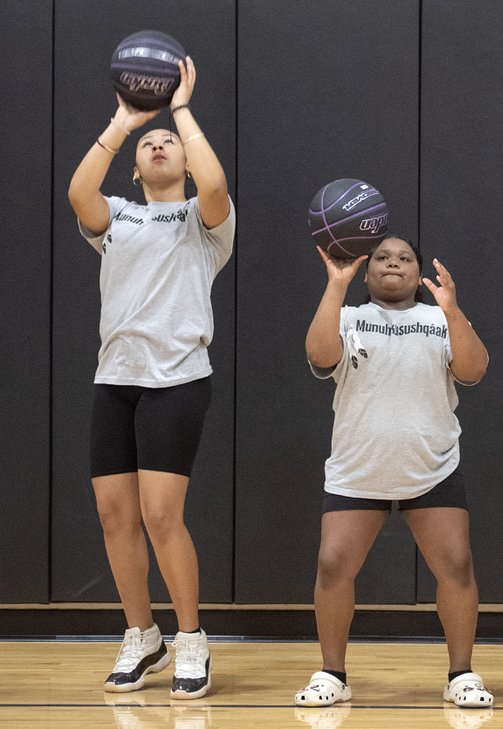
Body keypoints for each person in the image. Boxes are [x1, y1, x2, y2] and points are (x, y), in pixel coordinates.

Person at [68, 56, 233, 700]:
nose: (158, 143)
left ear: (185, 161)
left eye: (168, 141)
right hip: (116, 380)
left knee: (162, 516)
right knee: (116, 517)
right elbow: (79, 194)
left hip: (178, 379)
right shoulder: (115, 216)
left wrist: (181, 111)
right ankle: (143, 634)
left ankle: (191, 638)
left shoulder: (203, 220)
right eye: (149, 144)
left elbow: (216, 186)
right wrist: (125, 121)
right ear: (134, 169)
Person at [294, 237, 492, 709]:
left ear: (419, 275)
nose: (393, 264)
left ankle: (461, 674)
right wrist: (335, 287)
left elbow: (475, 370)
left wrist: (453, 310)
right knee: (332, 565)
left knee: (458, 566)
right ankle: (332, 674)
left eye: (405, 258)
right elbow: (319, 357)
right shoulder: (347, 316)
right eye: (382, 257)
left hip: (431, 467)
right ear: (366, 272)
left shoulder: (438, 319)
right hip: (358, 469)